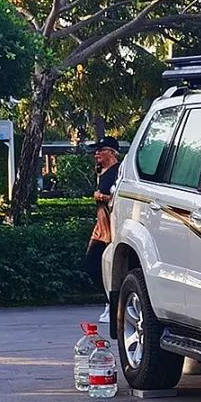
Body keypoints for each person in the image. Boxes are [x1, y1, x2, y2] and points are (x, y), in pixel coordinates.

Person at [83, 136, 121, 324]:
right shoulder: (101, 172)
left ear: (112, 153)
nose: (96, 153)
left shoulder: (118, 173)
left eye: (101, 149)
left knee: (109, 266)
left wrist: (102, 197)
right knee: (90, 264)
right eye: (95, 150)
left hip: (111, 227)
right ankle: (109, 300)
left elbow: (119, 198)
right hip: (100, 226)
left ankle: (112, 304)